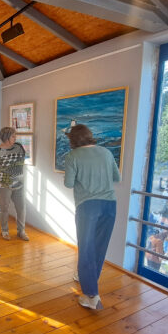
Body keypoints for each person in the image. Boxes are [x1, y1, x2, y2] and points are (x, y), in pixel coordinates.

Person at [64, 124, 120, 310]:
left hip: (88, 206)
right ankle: (87, 277)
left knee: (86, 248)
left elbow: (69, 183)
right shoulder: (106, 152)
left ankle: (91, 296)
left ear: (73, 140)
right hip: (110, 204)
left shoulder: (72, 156)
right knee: (99, 246)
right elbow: (116, 177)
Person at [0, 127, 28, 241]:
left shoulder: (19, 146)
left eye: (15, 136)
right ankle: (4, 231)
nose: (16, 138)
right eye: (13, 136)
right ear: (6, 138)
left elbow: (22, 159)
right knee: (4, 208)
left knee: (21, 208)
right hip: (3, 185)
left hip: (19, 183)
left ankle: (21, 231)